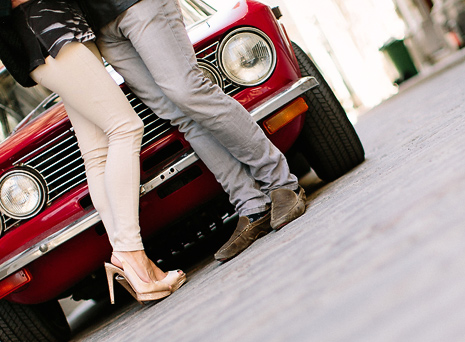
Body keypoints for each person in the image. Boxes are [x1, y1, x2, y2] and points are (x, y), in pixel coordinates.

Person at [0, 0, 186, 303]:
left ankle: (139, 266)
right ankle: (130, 253)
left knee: (97, 151)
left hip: (63, 22)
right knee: (125, 127)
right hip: (45, 26)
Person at [77, 0, 308, 262]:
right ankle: (251, 205)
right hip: (98, 27)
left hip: (137, 4)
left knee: (188, 91)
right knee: (178, 115)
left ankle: (281, 183)